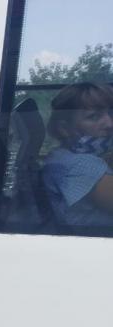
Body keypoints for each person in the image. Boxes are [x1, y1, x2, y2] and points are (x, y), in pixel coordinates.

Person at [42, 81, 113, 230]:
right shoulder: (83, 166)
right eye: (94, 117)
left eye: (110, 113)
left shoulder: (59, 156)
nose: (110, 124)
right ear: (64, 128)